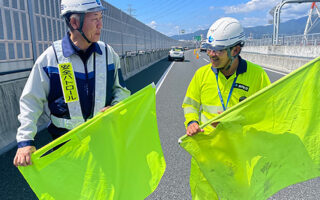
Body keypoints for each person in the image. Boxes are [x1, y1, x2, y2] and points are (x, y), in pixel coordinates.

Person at [13, 0, 130, 167]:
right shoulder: (51, 58)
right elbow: (31, 100)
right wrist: (25, 141)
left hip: (103, 142)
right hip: (66, 148)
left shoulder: (108, 54)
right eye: (94, 18)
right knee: (73, 192)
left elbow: (121, 90)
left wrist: (116, 107)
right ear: (74, 22)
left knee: (106, 190)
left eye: (101, 17)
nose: (100, 25)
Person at [182, 17, 271, 199]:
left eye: (219, 51)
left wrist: (236, 119)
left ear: (236, 50)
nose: (212, 55)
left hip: (241, 157)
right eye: (209, 49)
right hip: (209, 155)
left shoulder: (257, 76)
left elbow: (268, 113)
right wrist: (192, 121)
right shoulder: (201, 75)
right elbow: (190, 104)